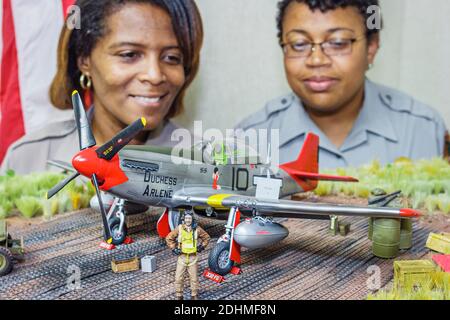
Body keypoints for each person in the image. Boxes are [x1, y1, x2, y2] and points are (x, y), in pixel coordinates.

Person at [236, 0, 448, 169]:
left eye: (337, 43)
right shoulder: (248, 141)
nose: (317, 60)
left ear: (372, 47)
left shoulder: (423, 130)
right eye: (299, 44)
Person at [1, 0, 203, 175]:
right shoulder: (28, 158)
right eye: (129, 55)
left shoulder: (203, 163)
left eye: (172, 58)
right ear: (84, 60)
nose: (155, 75)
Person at [165, 210, 210, 300]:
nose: (188, 220)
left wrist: (202, 246)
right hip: (182, 257)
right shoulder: (180, 228)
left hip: (193, 257)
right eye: (186, 218)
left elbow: (206, 237)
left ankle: (194, 295)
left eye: (189, 218)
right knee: (178, 278)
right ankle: (179, 295)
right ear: (184, 219)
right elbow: (169, 238)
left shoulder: (197, 229)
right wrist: (174, 248)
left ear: (192, 219)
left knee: (194, 278)